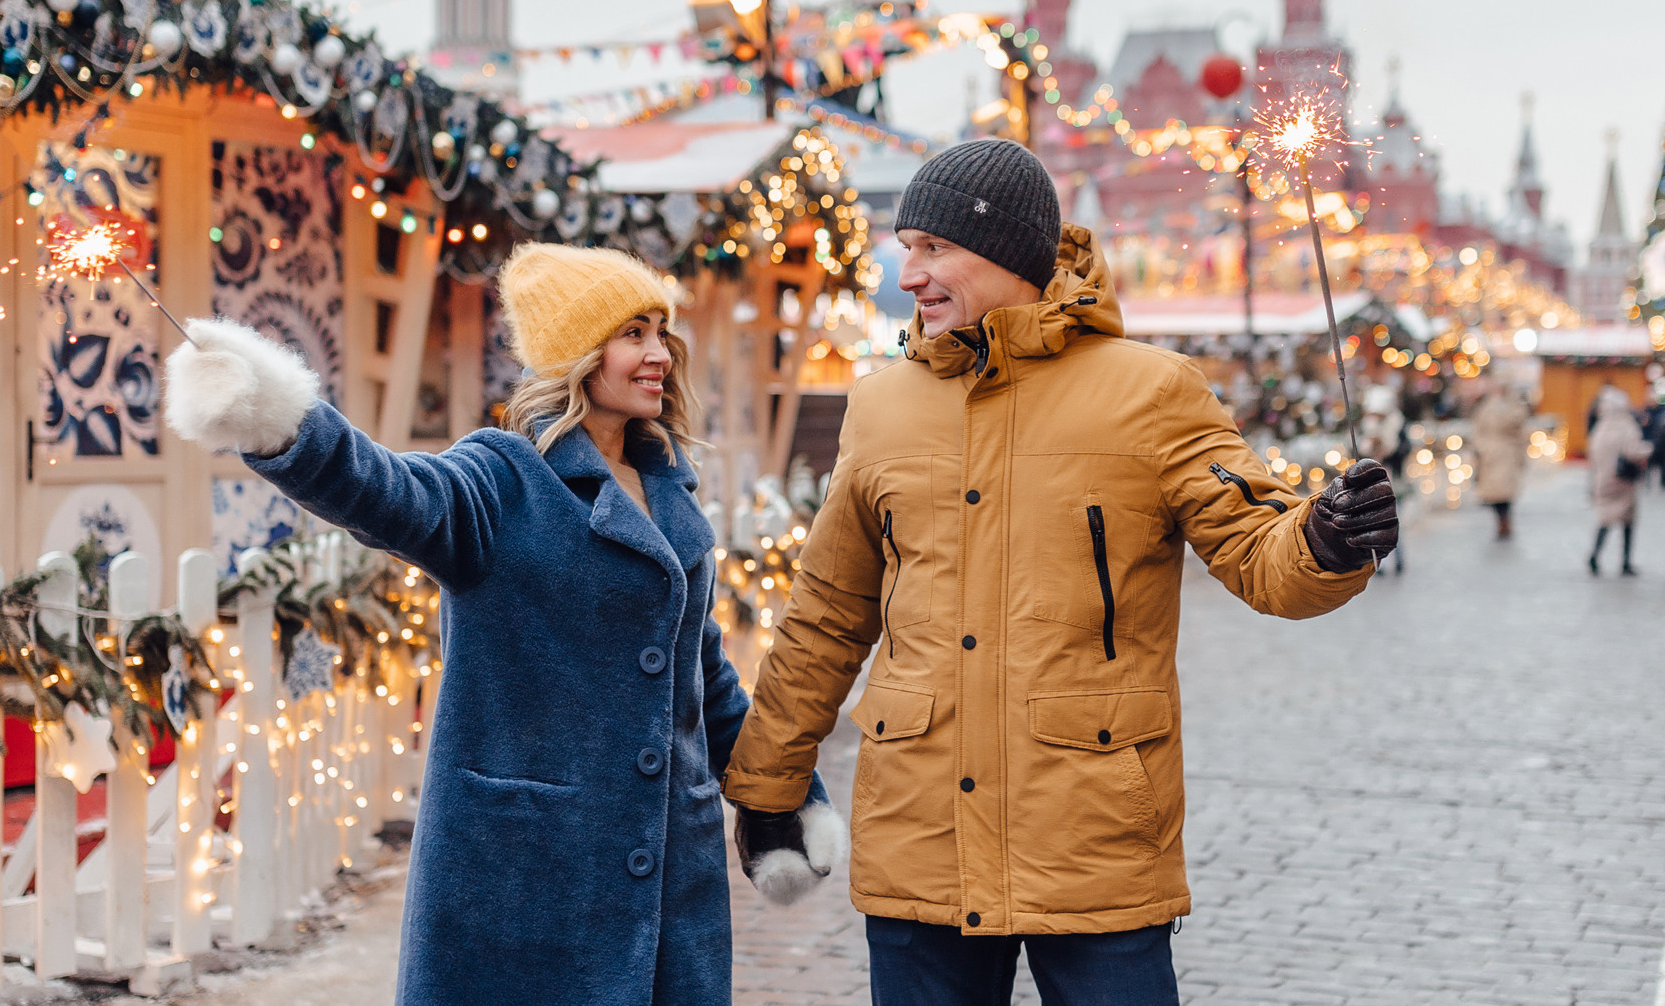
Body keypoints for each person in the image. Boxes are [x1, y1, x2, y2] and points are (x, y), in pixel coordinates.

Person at [719, 139, 1398, 1006]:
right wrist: (769, 785)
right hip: (920, 837)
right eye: (907, 247)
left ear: (1006, 252)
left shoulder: (1153, 392)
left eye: (934, 248)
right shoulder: (882, 406)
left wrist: (1325, 541)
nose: (910, 274)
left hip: (1095, 838)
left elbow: (1258, 553)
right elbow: (827, 613)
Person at [161, 243, 837, 1006]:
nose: (660, 353)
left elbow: (704, 680)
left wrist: (785, 797)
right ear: (579, 353)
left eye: (660, 331)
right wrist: (277, 417)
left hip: (673, 882)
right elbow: (388, 491)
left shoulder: (668, 489)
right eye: (633, 333)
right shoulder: (502, 480)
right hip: (527, 879)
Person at [1588, 385, 1647, 577]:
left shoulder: (1601, 427)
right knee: (1627, 521)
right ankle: (1625, 561)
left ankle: (1595, 555)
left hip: (1603, 480)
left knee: (1604, 519)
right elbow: (1633, 451)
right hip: (1623, 482)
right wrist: (1649, 450)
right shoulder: (1627, 426)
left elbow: (1593, 456)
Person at [1358, 384, 1410, 574]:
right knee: (1374, 524)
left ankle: (1398, 559)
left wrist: (1387, 448)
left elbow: (1403, 451)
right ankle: (1378, 563)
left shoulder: (1398, 425)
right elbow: (1359, 453)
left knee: (1394, 522)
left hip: (1393, 481)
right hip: (1372, 484)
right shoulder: (1366, 428)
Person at [1470, 382, 1531, 540]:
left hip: (1506, 454)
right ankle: (1501, 520)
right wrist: (1481, 447)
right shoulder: (1487, 408)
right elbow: (1479, 430)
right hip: (1490, 455)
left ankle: (1505, 520)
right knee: (1494, 494)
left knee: (1505, 492)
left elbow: (1519, 428)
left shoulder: (1513, 407)